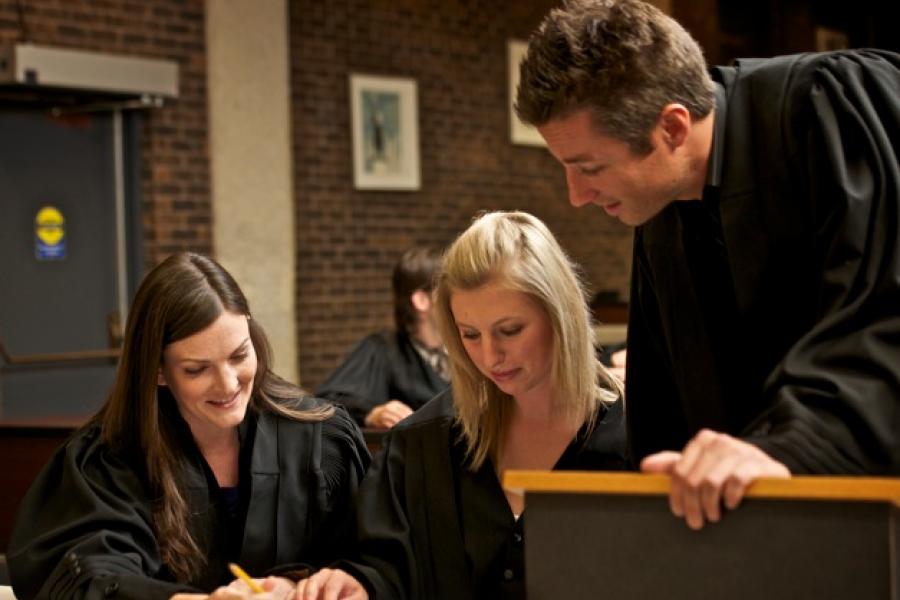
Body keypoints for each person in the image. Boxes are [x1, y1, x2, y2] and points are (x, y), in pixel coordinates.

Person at [516, 0, 900, 529]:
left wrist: (790, 445)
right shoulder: (663, 200)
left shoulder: (829, 107)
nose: (576, 196)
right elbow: (667, 397)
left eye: (590, 167)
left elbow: (886, 309)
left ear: (673, 128)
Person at [274, 210, 626, 600]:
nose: (491, 356)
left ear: (560, 317)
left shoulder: (639, 433)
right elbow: (387, 567)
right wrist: (360, 584)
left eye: (510, 330)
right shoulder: (422, 446)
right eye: (470, 335)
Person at [8, 253, 370, 598]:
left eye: (240, 355)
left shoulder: (320, 437)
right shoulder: (111, 460)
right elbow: (89, 578)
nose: (228, 384)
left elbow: (372, 561)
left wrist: (301, 584)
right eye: (197, 369)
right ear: (159, 372)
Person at [316, 247, 449, 430]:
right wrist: (372, 413)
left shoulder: (467, 347)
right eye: (448, 290)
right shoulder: (382, 349)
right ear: (422, 301)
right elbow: (327, 402)